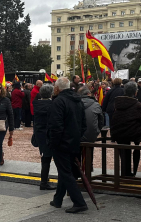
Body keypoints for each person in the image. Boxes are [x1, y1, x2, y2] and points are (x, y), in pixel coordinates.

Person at [48, 77, 88, 213]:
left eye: (54, 86)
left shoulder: (58, 101)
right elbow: (83, 123)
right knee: (64, 171)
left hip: (62, 143)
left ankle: (79, 202)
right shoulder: (78, 100)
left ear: (58, 88)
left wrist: (53, 143)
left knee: (66, 172)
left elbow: (56, 125)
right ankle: (58, 199)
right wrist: (77, 136)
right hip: (74, 141)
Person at [110, 82, 141, 177]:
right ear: (135, 92)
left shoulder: (117, 103)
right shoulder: (137, 104)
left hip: (117, 132)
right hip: (132, 133)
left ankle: (125, 172)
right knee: (135, 146)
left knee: (124, 151)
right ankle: (132, 172)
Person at [32, 84, 56, 190]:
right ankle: (44, 182)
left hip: (40, 134)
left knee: (45, 158)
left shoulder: (36, 104)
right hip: (50, 134)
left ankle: (44, 180)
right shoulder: (53, 105)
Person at [79, 86, 104, 169]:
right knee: (89, 149)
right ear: (89, 94)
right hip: (91, 133)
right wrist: (97, 131)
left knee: (77, 151)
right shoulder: (96, 104)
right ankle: (88, 168)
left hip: (77, 133)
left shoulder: (75, 103)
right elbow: (101, 121)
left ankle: (78, 170)